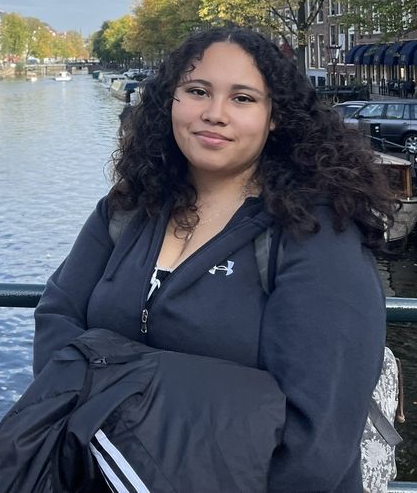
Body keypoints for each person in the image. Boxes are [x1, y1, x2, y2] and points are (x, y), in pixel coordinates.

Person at [33, 26, 396, 492]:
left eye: (242, 98)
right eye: (197, 91)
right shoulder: (128, 210)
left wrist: (107, 388)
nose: (214, 114)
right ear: (171, 101)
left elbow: (317, 440)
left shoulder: (314, 233)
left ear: (274, 117)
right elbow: (59, 314)